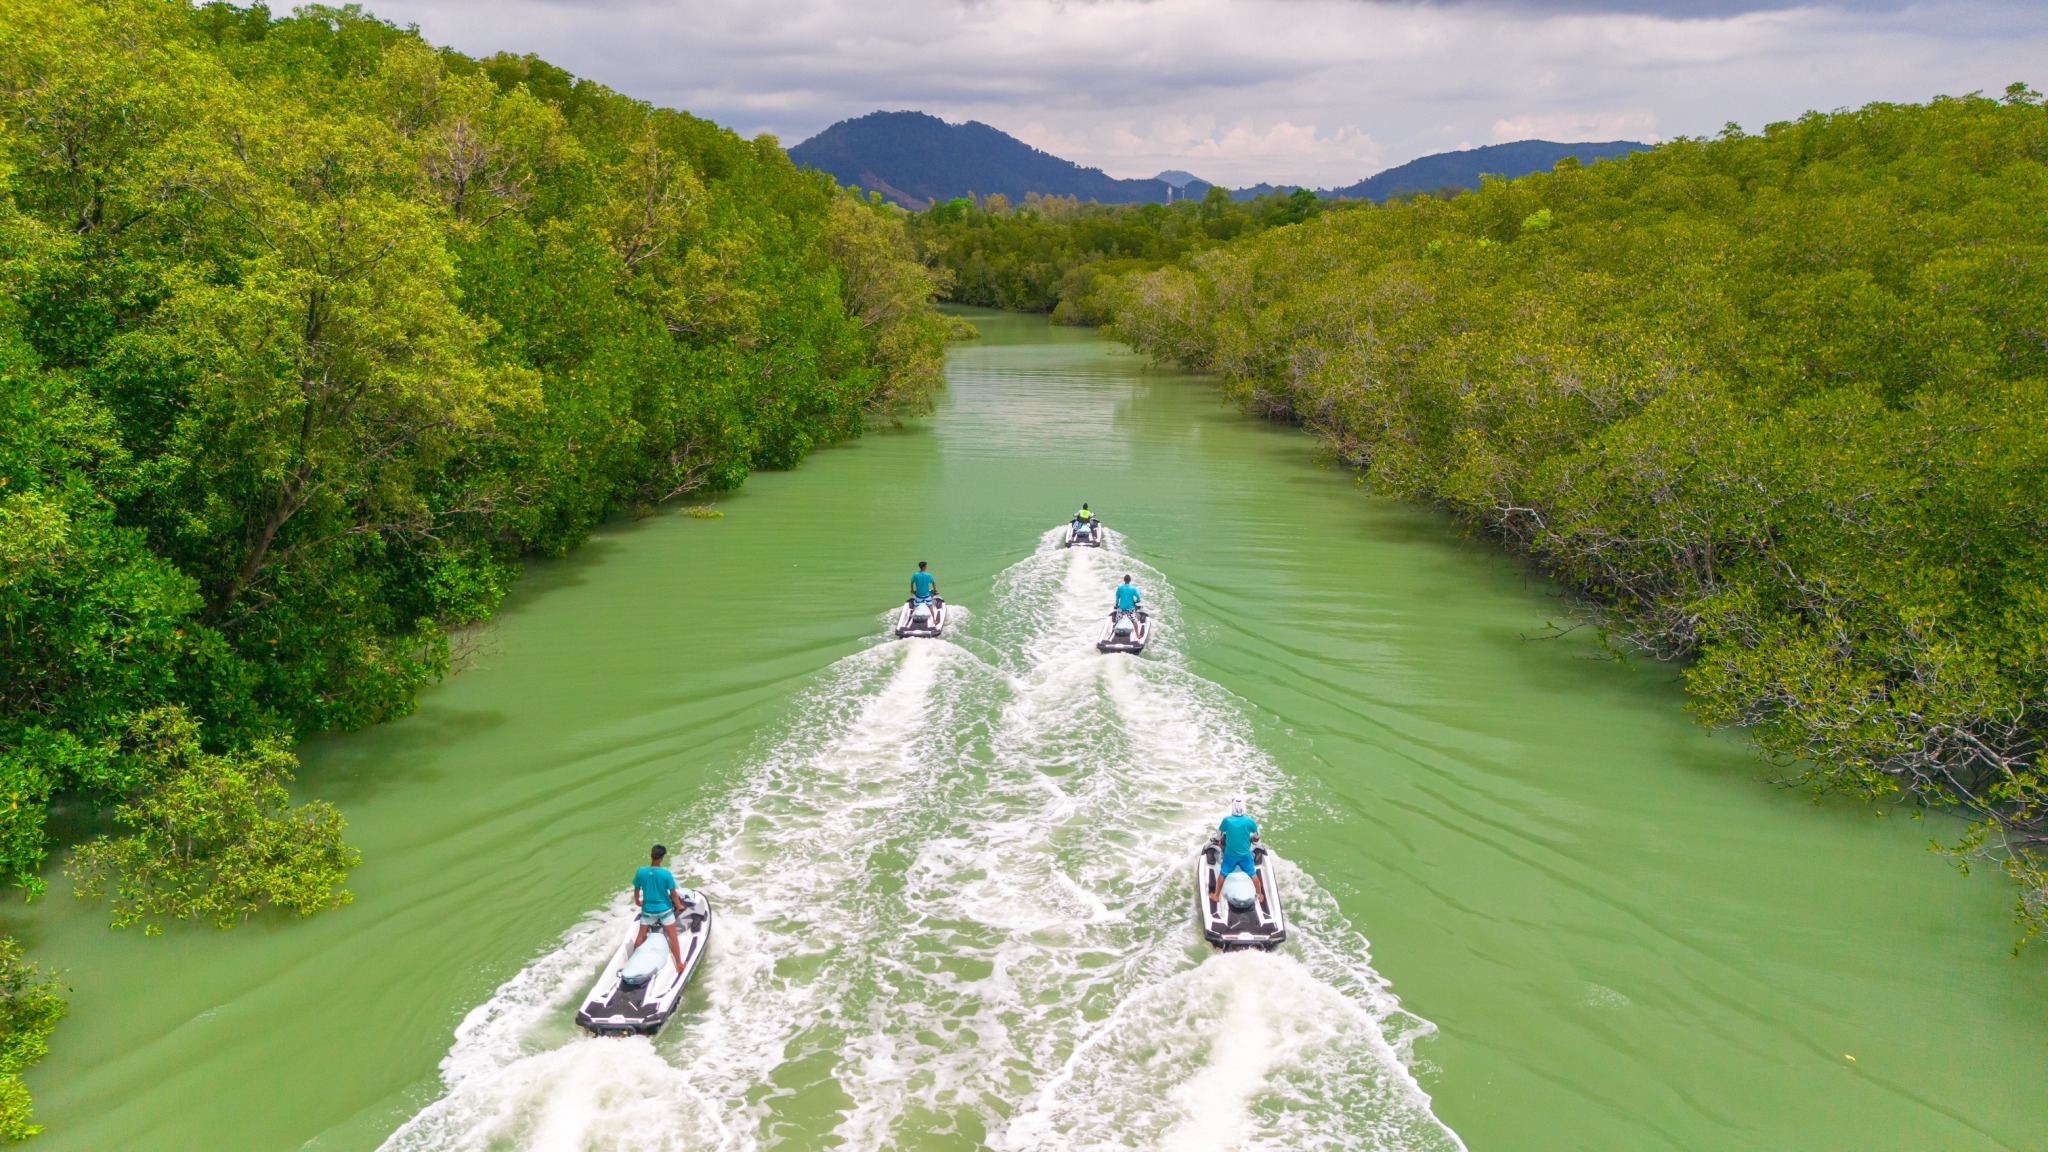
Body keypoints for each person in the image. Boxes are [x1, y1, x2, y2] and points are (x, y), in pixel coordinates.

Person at [632, 844, 688, 970]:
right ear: (662, 857)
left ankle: (633, 961)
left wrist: (637, 901)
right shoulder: (665, 874)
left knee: (641, 936)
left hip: (647, 910)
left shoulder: (641, 871)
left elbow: (636, 889)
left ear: (651, 855)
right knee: (672, 937)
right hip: (665, 911)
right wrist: (679, 905)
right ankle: (679, 965)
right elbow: (673, 894)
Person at [1209, 796, 1267, 909]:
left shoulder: (1227, 820)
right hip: (1245, 856)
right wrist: (1252, 839)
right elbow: (1256, 837)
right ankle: (1260, 895)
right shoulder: (1250, 821)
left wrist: (1218, 841)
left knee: (1222, 874)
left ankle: (1216, 896)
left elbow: (1219, 836)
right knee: (1253, 874)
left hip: (1230, 855)